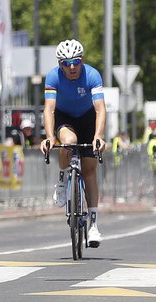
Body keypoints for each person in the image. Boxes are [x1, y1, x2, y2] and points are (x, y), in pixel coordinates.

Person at [40, 39, 107, 247]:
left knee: (89, 170)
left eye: (76, 62)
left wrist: (98, 136)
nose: (72, 68)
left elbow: (100, 109)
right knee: (68, 141)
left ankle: (93, 225)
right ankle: (62, 181)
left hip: (87, 118)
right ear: (60, 64)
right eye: (66, 63)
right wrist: (50, 137)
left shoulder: (92, 75)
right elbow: (49, 109)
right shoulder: (52, 77)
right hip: (65, 117)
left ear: (82, 61)